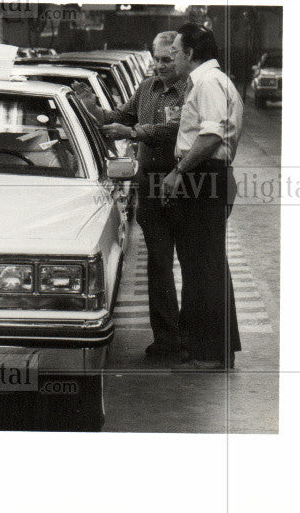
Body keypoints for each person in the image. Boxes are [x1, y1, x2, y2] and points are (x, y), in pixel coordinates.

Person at [84, 32, 187, 360]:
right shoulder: (146, 88)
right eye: (156, 58)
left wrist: (134, 133)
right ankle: (167, 338)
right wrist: (89, 107)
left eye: (167, 60)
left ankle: (193, 336)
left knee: (191, 265)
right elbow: (119, 117)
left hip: (184, 185)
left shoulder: (191, 91)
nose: (159, 66)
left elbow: (177, 130)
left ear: (181, 59)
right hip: (150, 187)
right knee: (158, 265)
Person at [160, 23, 243, 370]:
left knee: (203, 266)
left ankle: (211, 352)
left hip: (202, 176)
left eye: (176, 51)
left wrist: (179, 172)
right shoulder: (213, 82)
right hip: (210, 176)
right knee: (205, 263)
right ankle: (214, 348)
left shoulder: (208, 83)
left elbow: (210, 138)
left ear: (192, 53)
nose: (174, 57)